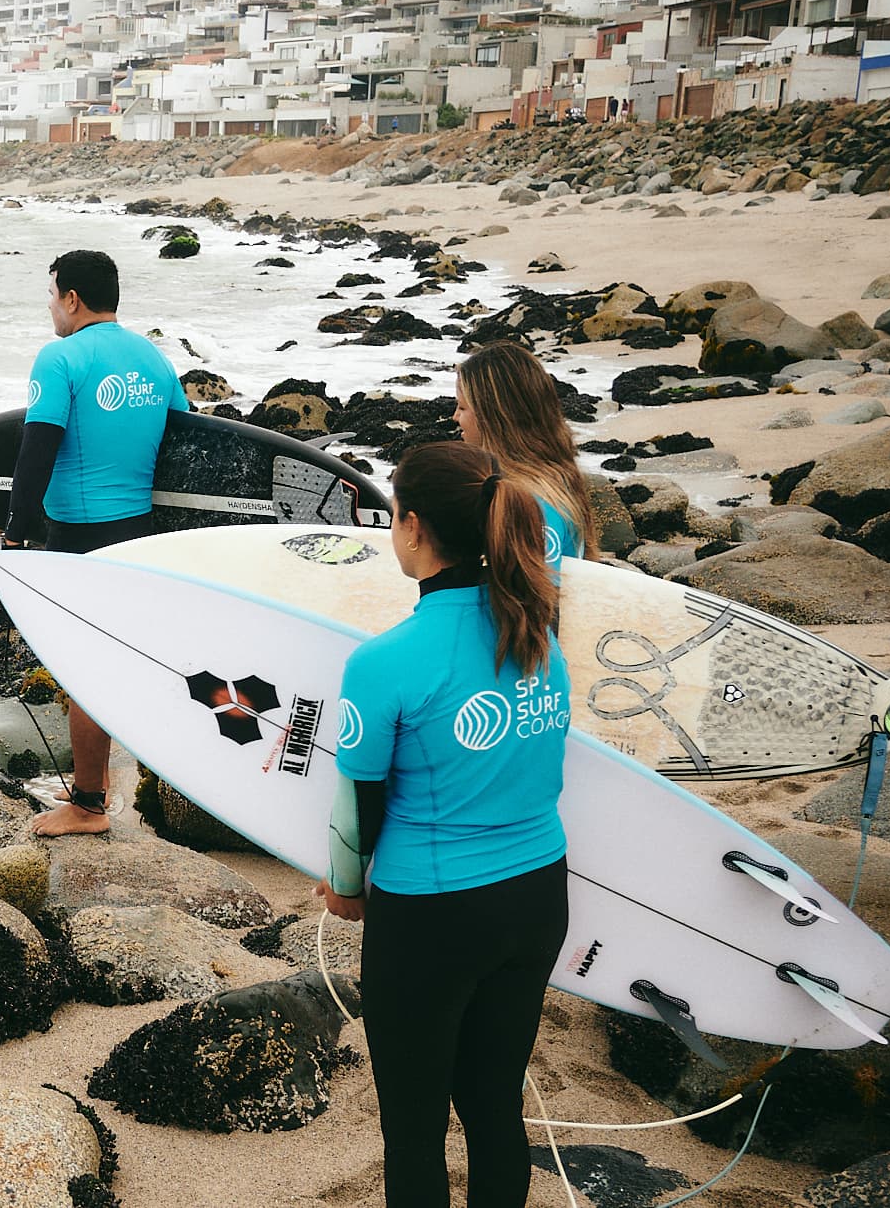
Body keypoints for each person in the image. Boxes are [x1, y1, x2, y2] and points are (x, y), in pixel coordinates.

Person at [316, 440, 572, 1208]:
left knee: (416, 1129)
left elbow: (358, 802)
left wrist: (345, 888)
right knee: (494, 1105)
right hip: (537, 898)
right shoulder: (535, 635)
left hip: (432, 914)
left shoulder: (385, 661)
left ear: (413, 525)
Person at [0, 249, 185, 836]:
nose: (50, 307)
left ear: (72, 299)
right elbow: (187, 444)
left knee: (83, 666)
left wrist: (15, 531)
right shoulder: (151, 357)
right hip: (137, 533)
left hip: (78, 533)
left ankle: (87, 805)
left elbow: (38, 450)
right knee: (111, 656)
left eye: (52, 295)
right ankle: (95, 780)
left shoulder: (59, 358)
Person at [452, 340, 596, 569]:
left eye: (462, 408)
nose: (455, 417)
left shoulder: (532, 504)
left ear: (494, 418)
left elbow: (535, 598)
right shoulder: (554, 478)